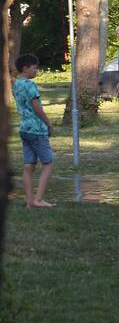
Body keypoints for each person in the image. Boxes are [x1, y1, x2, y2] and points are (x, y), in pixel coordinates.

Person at [13, 53, 55, 208]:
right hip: (37, 129)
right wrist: (48, 123)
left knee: (28, 166)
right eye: (34, 68)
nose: (36, 71)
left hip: (24, 128)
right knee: (48, 163)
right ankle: (38, 199)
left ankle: (30, 201)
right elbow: (37, 108)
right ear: (25, 68)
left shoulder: (16, 84)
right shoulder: (30, 85)